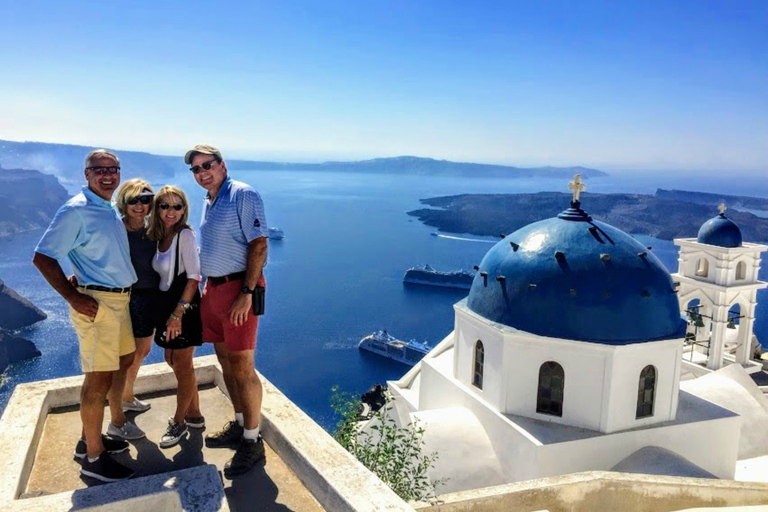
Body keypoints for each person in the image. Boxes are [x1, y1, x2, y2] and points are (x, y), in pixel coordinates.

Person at [32, 149, 142, 482]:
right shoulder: (76, 211)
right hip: (98, 305)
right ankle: (94, 459)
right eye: (99, 170)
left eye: (113, 169)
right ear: (87, 174)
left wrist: (81, 272)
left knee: (123, 361)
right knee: (97, 382)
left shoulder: (107, 206)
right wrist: (72, 297)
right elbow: (43, 257)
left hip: (119, 303)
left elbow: (96, 252)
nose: (107, 175)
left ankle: (87, 440)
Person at [185, 144, 268, 478]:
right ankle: (238, 423)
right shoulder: (210, 200)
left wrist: (246, 293)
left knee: (243, 366)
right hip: (214, 290)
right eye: (196, 169)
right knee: (225, 361)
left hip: (238, 291)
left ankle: (252, 439)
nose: (203, 172)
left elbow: (259, 244)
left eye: (208, 164)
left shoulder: (242, 194)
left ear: (222, 164)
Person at [147, 185, 205, 448]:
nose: (171, 212)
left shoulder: (185, 236)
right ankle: (194, 415)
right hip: (165, 306)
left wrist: (178, 314)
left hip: (182, 309)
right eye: (165, 205)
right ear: (157, 207)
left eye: (177, 206)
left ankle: (179, 423)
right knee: (174, 361)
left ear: (184, 210)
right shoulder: (160, 235)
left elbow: (194, 277)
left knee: (182, 365)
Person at [115, 179, 158, 413]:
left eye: (145, 199)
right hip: (131, 298)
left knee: (141, 350)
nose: (139, 205)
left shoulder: (152, 230)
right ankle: (125, 399)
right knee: (132, 353)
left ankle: (126, 396)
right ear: (124, 202)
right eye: (133, 200)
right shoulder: (116, 230)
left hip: (151, 297)